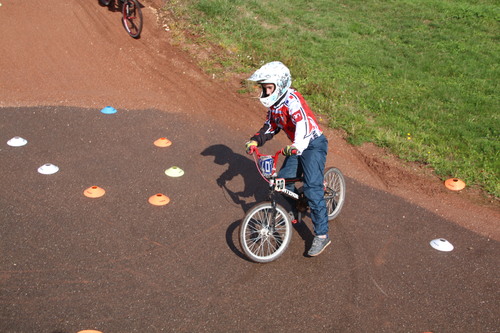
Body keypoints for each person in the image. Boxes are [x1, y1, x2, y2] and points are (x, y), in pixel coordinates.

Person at [245, 61, 330, 257]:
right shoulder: (275, 106)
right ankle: (298, 206)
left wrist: (297, 147)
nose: (265, 93)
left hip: (312, 144)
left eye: (268, 88)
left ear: (280, 85)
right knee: (282, 182)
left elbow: (303, 125)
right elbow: (271, 126)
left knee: (312, 189)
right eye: (264, 89)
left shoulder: (292, 100)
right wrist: (255, 141)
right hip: (296, 147)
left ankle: (322, 235)